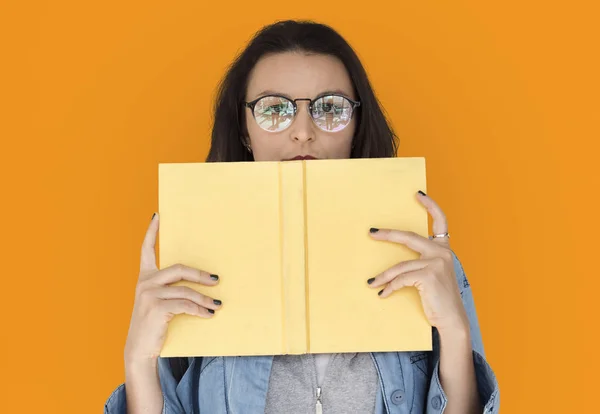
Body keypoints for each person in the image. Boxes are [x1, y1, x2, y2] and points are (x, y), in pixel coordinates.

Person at [104, 20, 499, 414]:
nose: (303, 131)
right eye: (274, 109)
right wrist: (139, 361)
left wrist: (454, 330)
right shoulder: (189, 263)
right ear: (244, 130)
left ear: (356, 126)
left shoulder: (423, 264)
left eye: (330, 108)